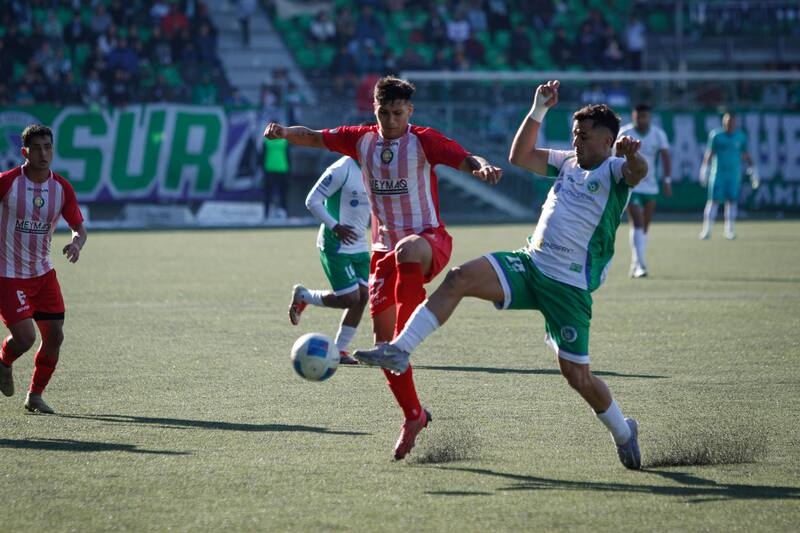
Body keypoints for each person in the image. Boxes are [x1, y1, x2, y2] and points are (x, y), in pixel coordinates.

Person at [355, 80, 648, 470]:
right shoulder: (567, 162)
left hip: (569, 286)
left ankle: (623, 431)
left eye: (585, 136)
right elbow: (520, 155)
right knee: (459, 278)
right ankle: (399, 349)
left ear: (609, 141)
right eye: (575, 134)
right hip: (530, 264)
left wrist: (631, 157)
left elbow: (637, 172)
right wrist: (538, 108)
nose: (576, 142)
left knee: (577, 377)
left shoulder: (614, 171)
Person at [264, 76, 502, 459]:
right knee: (380, 345)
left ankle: (404, 345)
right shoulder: (360, 139)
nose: (390, 120)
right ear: (374, 110)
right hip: (382, 251)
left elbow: (465, 157)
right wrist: (283, 132)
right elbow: (312, 136)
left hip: (428, 240)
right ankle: (413, 415)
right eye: (383, 112)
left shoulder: (423, 140)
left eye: (397, 113)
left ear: (410, 111)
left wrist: (483, 167)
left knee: (406, 261)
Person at [0, 124, 87, 414]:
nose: (43, 153)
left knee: (55, 337)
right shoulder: (8, 182)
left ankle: (34, 396)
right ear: (24, 151)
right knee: (25, 338)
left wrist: (76, 244)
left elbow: (79, 228)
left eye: (47, 147)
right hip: (8, 274)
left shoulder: (61, 188)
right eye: (36, 148)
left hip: (43, 275)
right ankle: (3, 362)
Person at [290, 156, 370, 365]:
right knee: (350, 298)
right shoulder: (342, 168)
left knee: (363, 297)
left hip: (360, 244)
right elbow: (312, 201)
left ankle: (340, 350)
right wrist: (336, 226)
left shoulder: (378, 166)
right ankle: (305, 296)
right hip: (335, 243)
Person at [618, 104, 671, 278]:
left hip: (651, 185)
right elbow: (615, 157)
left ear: (649, 117)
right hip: (631, 185)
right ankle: (641, 265)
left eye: (645, 116)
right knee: (638, 223)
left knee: (644, 227)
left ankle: (635, 262)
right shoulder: (625, 133)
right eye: (638, 116)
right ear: (633, 116)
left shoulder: (658, 134)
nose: (641, 119)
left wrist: (667, 180)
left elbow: (665, 157)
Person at [699, 112, 755, 240]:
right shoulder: (716, 135)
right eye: (727, 121)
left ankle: (729, 230)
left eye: (732, 121)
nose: (730, 124)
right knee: (713, 201)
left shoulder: (740, 137)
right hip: (718, 174)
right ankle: (706, 230)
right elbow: (710, 153)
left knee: (731, 201)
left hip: (734, 175)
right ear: (724, 122)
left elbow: (746, 154)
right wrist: (704, 169)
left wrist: (753, 169)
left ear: (735, 122)